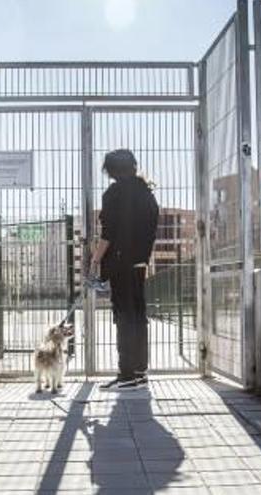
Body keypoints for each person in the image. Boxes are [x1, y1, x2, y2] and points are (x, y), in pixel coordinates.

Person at [91, 149, 159, 389]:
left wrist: (95, 260)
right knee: (139, 318)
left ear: (112, 170)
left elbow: (108, 233)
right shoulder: (148, 193)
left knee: (123, 318)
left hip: (120, 265)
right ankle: (140, 373)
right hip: (140, 263)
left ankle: (127, 375)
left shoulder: (114, 193)